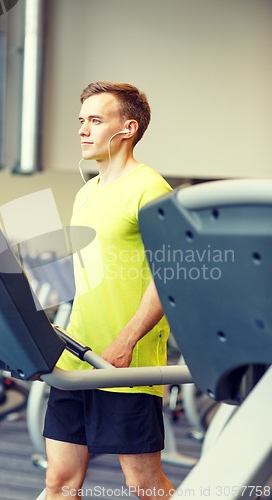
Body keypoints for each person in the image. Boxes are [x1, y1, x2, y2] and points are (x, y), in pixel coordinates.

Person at [43, 81, 174, 499]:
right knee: (60, 482)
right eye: (81, 121)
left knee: (143, 485)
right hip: (77, 357)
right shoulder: (86, 193)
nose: (82, 130)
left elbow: (168, 274)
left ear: (128, 128)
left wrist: (126, 339)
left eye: (95, 120)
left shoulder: (151, 189)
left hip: (125, 361)